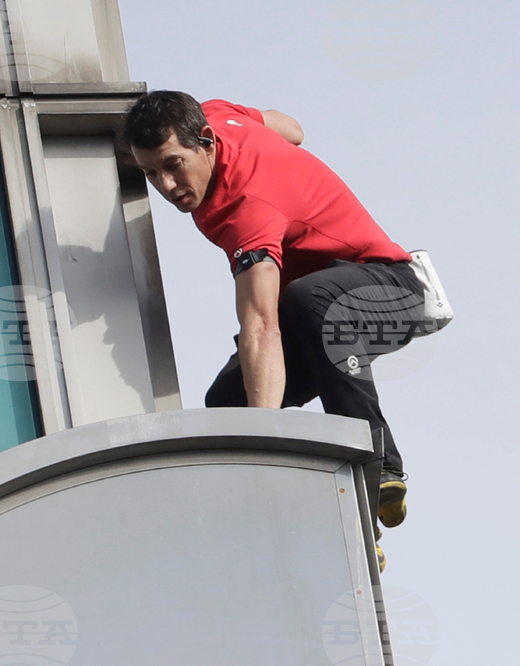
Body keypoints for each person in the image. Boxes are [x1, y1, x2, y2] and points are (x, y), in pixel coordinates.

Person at [124, 90, 420, 536]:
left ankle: (380, 468)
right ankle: (338, 526)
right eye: (151, 173)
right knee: (228, 404)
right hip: (316, 314)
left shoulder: (248, 211)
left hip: (390, 289)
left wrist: (264, 450)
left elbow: (261, 325)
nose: (167, 187)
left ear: (204, 141)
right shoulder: (219, 116)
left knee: (305, 301)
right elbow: (292, 128)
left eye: (173, 165)